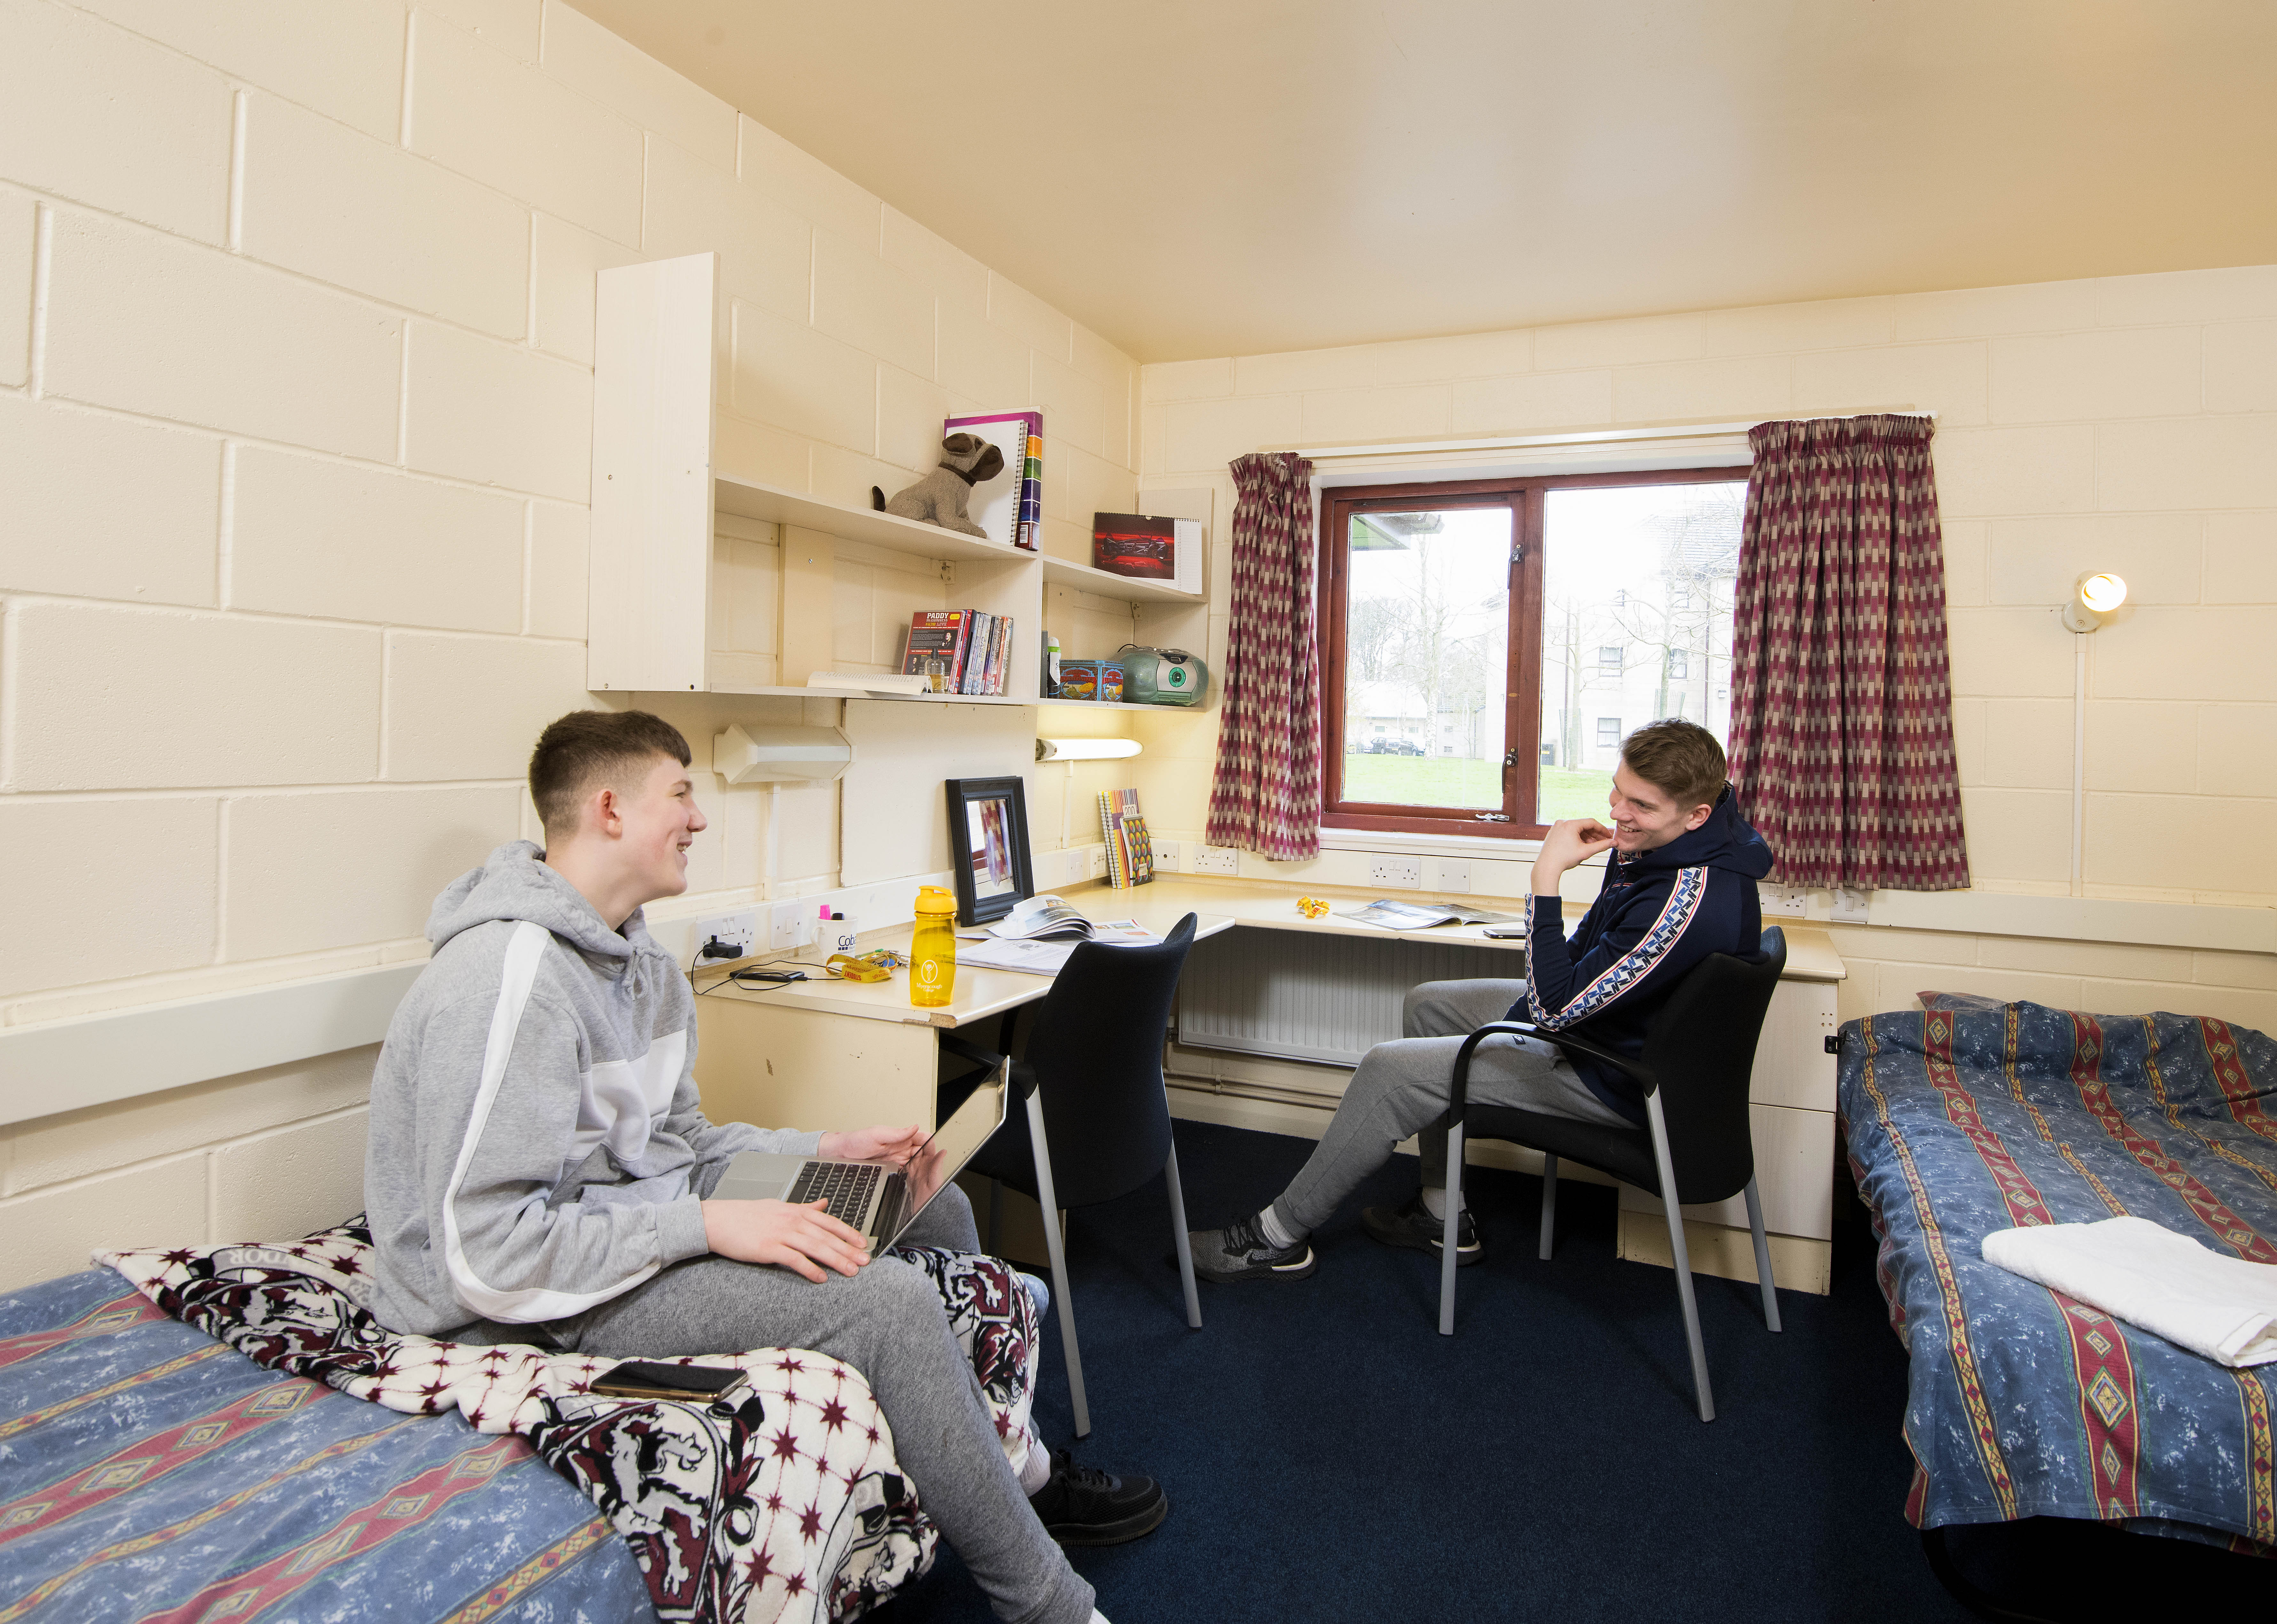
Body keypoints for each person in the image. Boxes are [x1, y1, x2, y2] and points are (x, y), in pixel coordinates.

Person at [364, 709, 1159, 1624]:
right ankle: (1050, 1603)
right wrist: (710, 1226)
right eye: (682, 793)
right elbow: (486, 1250)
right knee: (887, 1306)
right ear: (611, 809)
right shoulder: (510, 977)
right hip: (521, 1301)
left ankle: (1014, 1469)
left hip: (628, 1226)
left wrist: (826, 1151)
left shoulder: (639, 961)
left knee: (924, 1204)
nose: (699, 819)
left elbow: (685, 1145)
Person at [1187, 718, 1773, 1282]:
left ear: (1698, 814)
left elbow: (1552, 1011)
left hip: (1617, 1078)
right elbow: (1587, 951)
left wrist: (1546, 875)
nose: (1619, 814)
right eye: (1618, 793)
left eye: (1640, 806)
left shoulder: (1688, 902)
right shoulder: (1674, 845)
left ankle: (1275, 1239)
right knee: (1430, 1004)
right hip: (1605, 1034)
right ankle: (1444, 1217)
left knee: (1389, 1071)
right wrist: (1512, 1025)